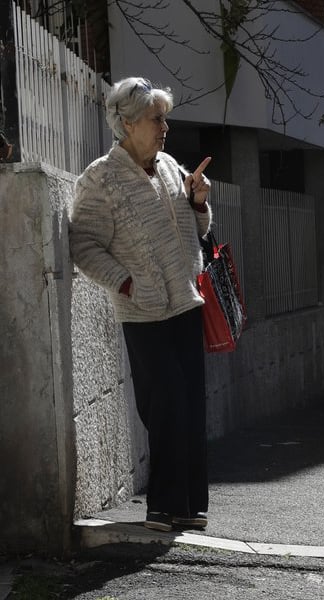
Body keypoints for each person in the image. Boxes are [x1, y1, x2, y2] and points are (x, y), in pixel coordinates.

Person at [69, 76, 214, 532]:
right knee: (164, 401)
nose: (164, 126)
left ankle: (189, 505)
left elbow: (199, 233)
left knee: (190, 403)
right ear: (127, 123)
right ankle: (162, 506)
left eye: (164, 118)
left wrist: (198, 202)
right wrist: (124, 282)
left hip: (185, 305)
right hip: (145, 311)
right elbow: (84, 244)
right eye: (156, 119)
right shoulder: (101, 178)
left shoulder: (170, 166)